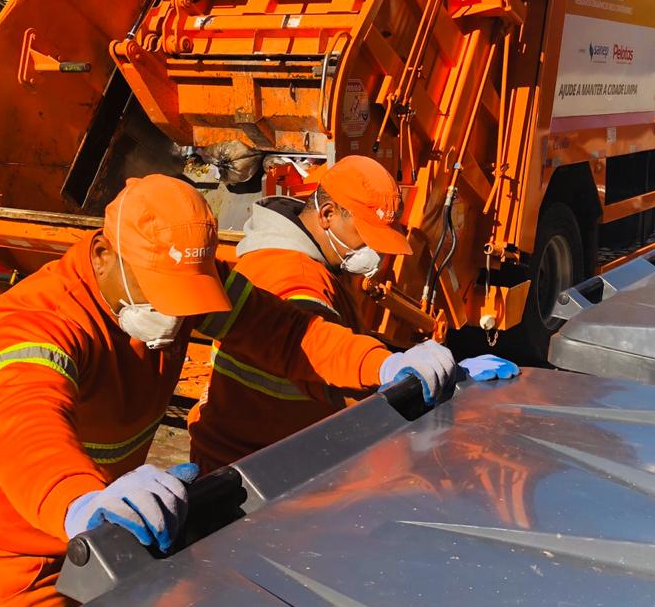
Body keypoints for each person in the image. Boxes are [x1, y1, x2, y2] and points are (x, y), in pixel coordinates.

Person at [0, 174, 458, 607]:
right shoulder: (32, 322)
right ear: (101, 255)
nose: (176, 315)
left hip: (108, 532)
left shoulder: (191, 290)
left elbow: (287, 335)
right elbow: (24, 425)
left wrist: (383, 363)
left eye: (186, 299)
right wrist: (79, 503)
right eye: (160, 293)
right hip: (16, 547)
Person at [187, 156, 520, 473]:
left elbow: (333, 339)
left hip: (257, 456)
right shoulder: (295, 278)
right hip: (250, 471)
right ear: (328, 214)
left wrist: (397, 359)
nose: (374, 253)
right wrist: (437, 386)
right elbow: (322, 360)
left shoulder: (300, 260)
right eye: (366, 237)